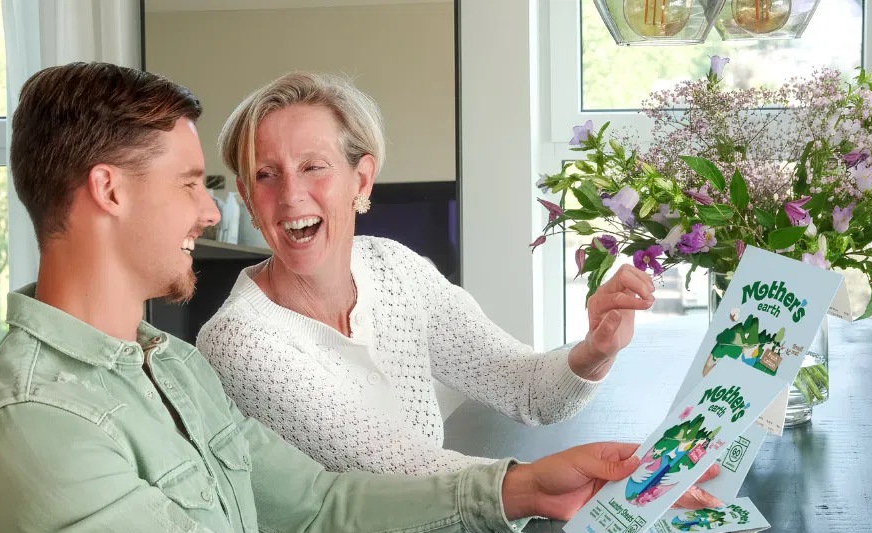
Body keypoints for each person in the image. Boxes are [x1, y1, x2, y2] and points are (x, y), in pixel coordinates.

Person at [0, 61, 680, 533]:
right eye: (193, 183)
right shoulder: (34, 426)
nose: (210, 214)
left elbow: (318, 504)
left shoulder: (165, 366)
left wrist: (518, 490)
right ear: (108, 191)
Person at [197, 72, 666, 478]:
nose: (291, 195)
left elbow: (527, 389)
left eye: (313, 167)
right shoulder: (238, 339)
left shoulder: (394, 268)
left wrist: (594, 352)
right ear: (245, 195)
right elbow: (399, 472)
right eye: (265, 175)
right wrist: (582, 476)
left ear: (361, 179)